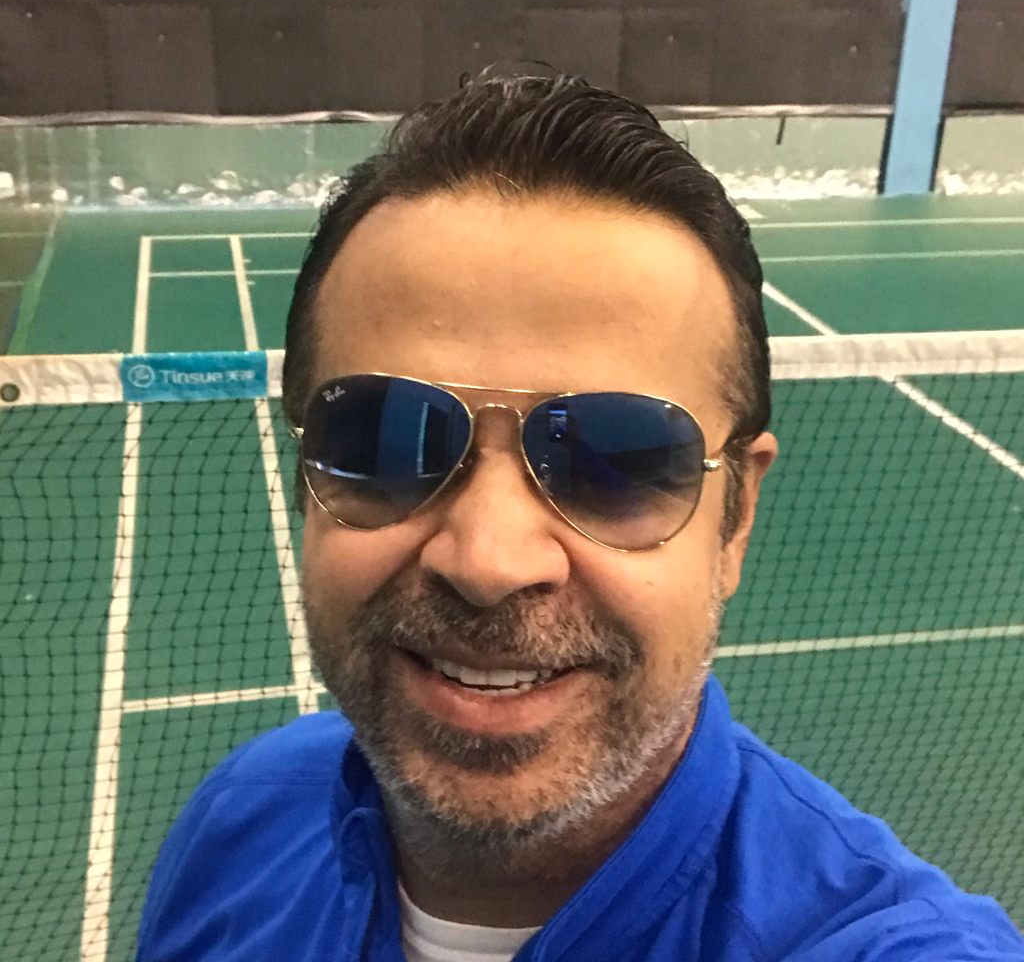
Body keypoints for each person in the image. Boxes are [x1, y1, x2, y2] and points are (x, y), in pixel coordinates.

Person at [136, 71, 1024, 962]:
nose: (488, 560)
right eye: (386, 440)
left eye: (617, 459)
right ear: (305, 478)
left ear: (735, 519)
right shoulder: (240, 823)